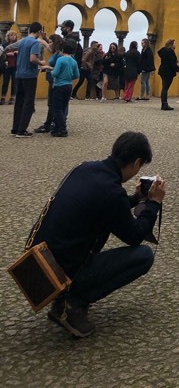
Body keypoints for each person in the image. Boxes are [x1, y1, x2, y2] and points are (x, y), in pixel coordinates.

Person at [32, 131, 164, 338]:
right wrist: (154, 203)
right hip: (61, 271)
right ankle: (71, 303)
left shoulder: (84, 168)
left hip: (38, 262)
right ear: (137, 162)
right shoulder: (112, 192)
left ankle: (67, 297)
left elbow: (107, 208)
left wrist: (137, 198)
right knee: (144, 256)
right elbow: (134, 235)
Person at [9, 22, 49, 138]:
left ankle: (15, 128)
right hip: (29, 75)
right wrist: (40, 62)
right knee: (28, 102)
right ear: (39, 32)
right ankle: (22, 130)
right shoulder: (35, 42)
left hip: (19, 73)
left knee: (19, 101)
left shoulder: (23, 41)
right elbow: (32, 58)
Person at [43, 39, 79, 137]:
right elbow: (76, 75)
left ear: (62, 49)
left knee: (57, 108)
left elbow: (55, 73)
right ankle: (58, 128)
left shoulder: (60, 60)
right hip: (68, 85)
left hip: (59, 85)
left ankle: (62, 129)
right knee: (63, 107)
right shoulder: (73, 61)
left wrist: (50, 71)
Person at [34, 34, 64, 134]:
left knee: (52, 103)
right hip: (51, 79)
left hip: (54, 80)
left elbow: (58, 68)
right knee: (51, 103)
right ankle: (51, 123)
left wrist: (46, 67)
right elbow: (50, 49)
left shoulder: (59, 54)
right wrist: (45, 40)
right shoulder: (56, 52)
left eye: (51, 42)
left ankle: (49, 124)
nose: (49, 44)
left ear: (55, 43)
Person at [157, 39, 179, 111]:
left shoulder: (163, 51)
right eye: (174, 43)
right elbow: (172, 64)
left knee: (164, 87)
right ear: (171, 44)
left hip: (162, 70)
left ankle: (164, 103)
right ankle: (164, 104)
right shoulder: (170, 52)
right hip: (168, 72)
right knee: (165, 88)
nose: (175, 45)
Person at [1, 29, 19, 104]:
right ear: (8, 36)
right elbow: (1, 54)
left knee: (14, 82)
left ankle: (12, 98)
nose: (13, 37)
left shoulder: (18, 44)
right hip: (7, 65)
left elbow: (21, 52)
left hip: (15, 65)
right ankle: (3, 97)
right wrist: (7, 55)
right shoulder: (4, 45)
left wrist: (16, 52)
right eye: (11, 35)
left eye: (14, 35)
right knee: (5, 82)